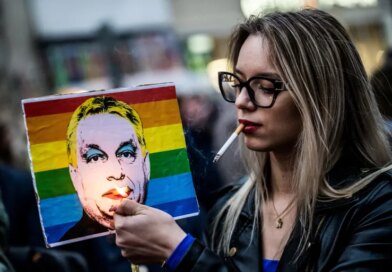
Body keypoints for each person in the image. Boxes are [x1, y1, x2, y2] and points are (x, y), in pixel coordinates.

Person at [112, 9, 392, 271]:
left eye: (265, 86)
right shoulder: (230, 210)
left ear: (321, 96)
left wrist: (181, 253)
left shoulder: (378, 205)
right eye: (238, 83)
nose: (242, 102)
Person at [62, 96, 150, 241]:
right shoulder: (70, 251)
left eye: (126, 154)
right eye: (95, 158)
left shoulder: (177, 232)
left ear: (146, 165)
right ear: (75, 176)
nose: (116, 173)